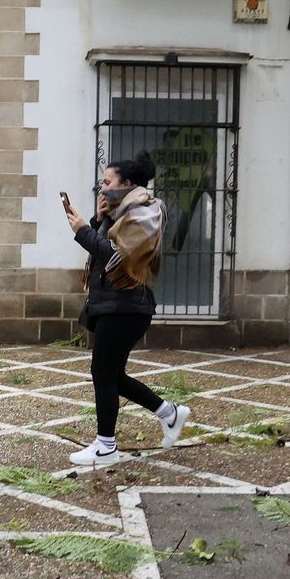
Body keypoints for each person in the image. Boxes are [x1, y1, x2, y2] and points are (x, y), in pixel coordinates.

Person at [63, 150, 192, 465]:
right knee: (112, 375)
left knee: (102, 371)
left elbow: (114, 256)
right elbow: (104, 247)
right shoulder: (122, 212)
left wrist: (82, 230)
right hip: (115, 304)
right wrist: (98, 218)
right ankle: (170, 413)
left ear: (127, 184)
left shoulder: (147, 212)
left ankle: (106, 446)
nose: (103, 187)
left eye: (107, 182)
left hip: (128, 305)